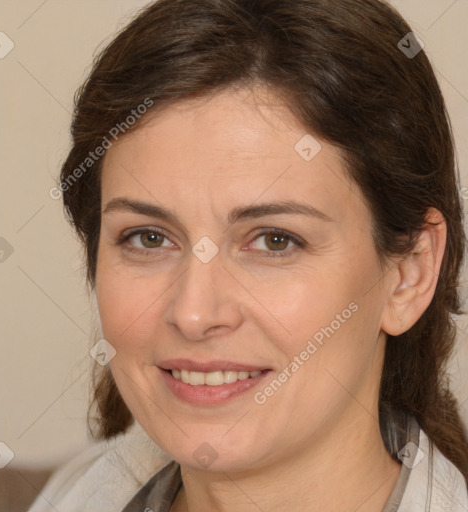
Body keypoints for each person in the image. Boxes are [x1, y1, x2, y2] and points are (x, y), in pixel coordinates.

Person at [29, 0, 468, 510]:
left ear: (408, 274)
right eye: (149, 238)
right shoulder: (77, 494)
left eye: (274, 240)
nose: (194, 313)